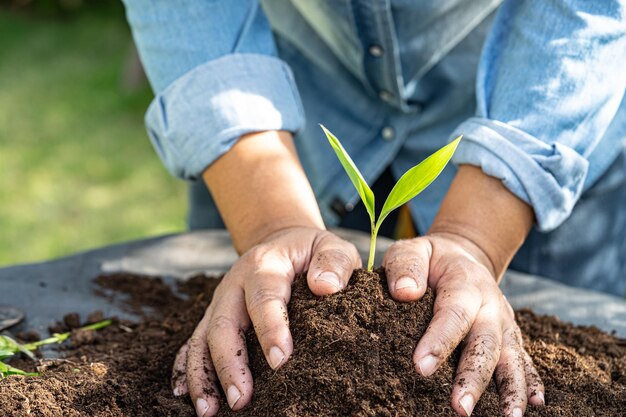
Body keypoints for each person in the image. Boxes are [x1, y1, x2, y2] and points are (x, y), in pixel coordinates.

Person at [121, 1, 626, 416]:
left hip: (520, 96)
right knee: (252, 310)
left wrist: (474, 240)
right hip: (276, 101)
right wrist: (271, 225)